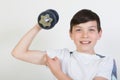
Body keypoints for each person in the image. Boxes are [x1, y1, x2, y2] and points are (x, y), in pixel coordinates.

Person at [12, 9, 115, 80]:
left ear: (99, 34)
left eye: (91, 30)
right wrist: (39, 25)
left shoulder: (106, 62)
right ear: (71, 34)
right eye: (79, 30)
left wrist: (58, 72)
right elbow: (18, 53)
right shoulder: (62, 56)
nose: (85, 35)